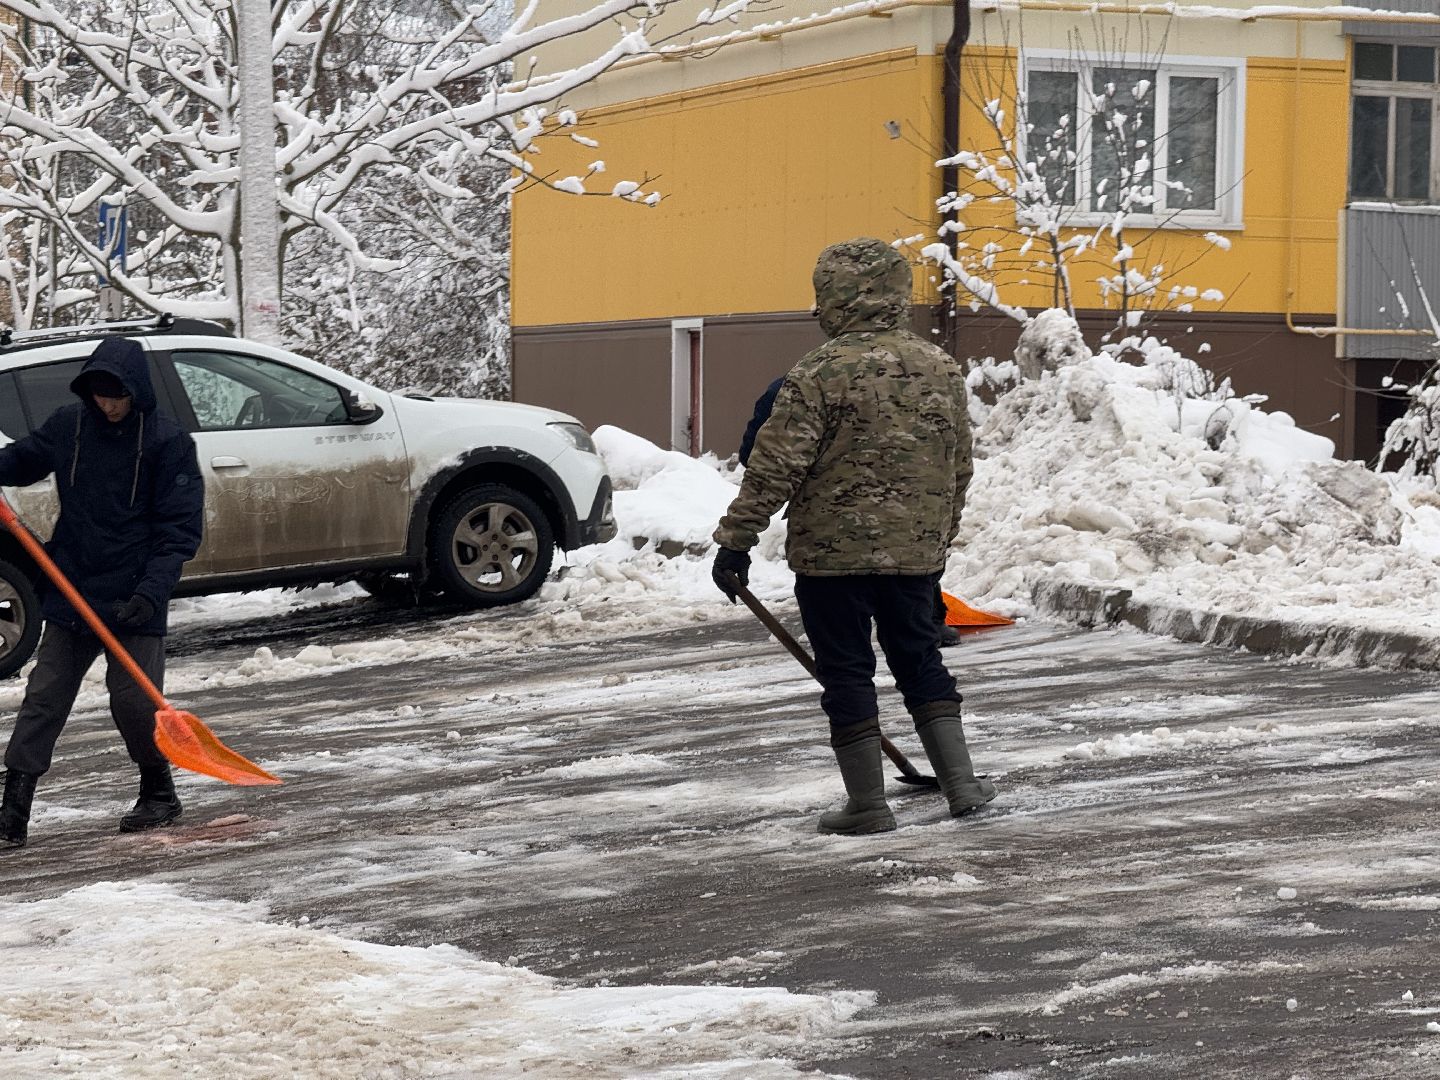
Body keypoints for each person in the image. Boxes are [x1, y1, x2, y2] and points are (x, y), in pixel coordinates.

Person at [712, 237, 993, 835]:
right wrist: (937, 543)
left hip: (830, 562)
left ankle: (868, 806)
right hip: (913, 553)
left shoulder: (817, 372)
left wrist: (736, 541)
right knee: (919, 661)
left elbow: (775, 465)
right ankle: (961, 784)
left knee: (846, 672)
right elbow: (957, 466)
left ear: (834, 298)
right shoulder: (940, 367)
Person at [0, 337, 205, 849]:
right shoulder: (70, 426)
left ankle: (158, 791)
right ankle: (12, 810)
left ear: (135, 390)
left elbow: (179, 532)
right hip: (74, 586)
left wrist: (150, 593)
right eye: (98, 393)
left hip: (134, 593)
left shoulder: (166, 440)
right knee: (44, 698)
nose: (106, 404)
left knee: (134, 702)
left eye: (115, 394)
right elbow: (22, 462)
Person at [738, 374, 963, 648]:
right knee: (917, 655)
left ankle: (858, 667)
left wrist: (737, 539)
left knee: (844, 658)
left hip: (832, 532)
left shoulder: (804, 381)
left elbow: (760, 460)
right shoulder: (920, 376)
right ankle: (925, 629)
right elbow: (955, 461)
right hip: (906, 523)